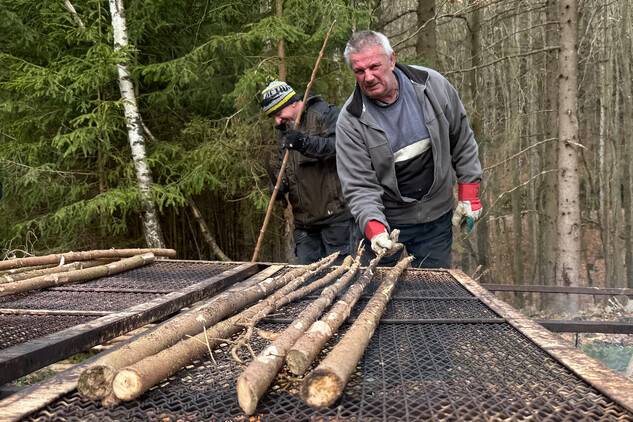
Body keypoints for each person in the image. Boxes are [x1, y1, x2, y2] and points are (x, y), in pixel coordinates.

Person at [335, 30, 483, 268]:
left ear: (391, 60)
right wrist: (375, 231)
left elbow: (462, 139)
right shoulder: (350, 120)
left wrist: (470, 195)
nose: (368, 77)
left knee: (433, 294)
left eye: (375, 66)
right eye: (359, 71)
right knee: (377, 297)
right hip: (387, 223)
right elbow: (359, 185)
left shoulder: (431, 85)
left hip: (436, 218)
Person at [260, 80, 358, 265]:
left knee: (342, 282)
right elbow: (287, 167)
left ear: (292, 102)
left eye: (278, 113)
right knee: (308, 284)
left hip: (337, 221)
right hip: (305, 227)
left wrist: (305, 144)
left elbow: (343, 148)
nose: (277, 120)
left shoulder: (325, 114)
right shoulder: (284, 131)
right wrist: (280, 186)